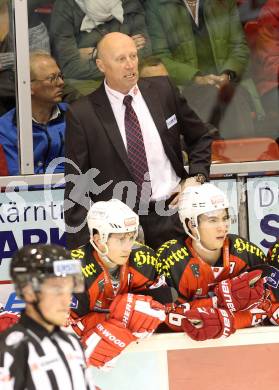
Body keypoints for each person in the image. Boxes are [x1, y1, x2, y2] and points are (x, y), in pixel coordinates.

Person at [64, 31, 213, 250]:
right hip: (119, 229)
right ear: (101, 65)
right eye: (120, 59)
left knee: (185, 283)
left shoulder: (163, 90)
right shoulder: (82, 114)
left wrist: (197, 176)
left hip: (173, 215)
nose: (130, 65)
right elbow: (77, 185)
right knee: (134, 284)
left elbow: (200, 135)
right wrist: (80, 251)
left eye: (133, 56)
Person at [157, 183, 266, 340]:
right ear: (191, 225)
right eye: (213, 220)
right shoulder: (170, 259)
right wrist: (220, 301)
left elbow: (269, 305)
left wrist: (228, 321)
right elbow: (164, 315)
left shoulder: (246, 252)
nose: (223, 227)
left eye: (225, 218)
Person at [144, 0, 265, 139]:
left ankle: (242, 155)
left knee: (232, 98)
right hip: (187, 87)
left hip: (227, 83)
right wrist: (196, 77)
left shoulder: (224, 3)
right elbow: (160, 59)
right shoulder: (158, 6)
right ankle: (231, 154)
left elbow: (240, 48)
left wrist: (227, 74)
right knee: (215, 100)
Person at [69, 198, 166, 368]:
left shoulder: (145, 258)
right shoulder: (72, 270)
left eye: (131, 237)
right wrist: (114, 319)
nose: (128, 246)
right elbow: (59, 329)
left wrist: (116, 323)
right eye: (121, 239)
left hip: (140, 364)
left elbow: (161, 307)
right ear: (99, 239)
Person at [0, 243, 98, 390]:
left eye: (69, 289)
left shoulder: (72, 342)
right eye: (56, 289)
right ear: (29, 291)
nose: (66, 300)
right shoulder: (10, 349)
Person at [49, 0, 151, 94]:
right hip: (87, 81)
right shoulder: (66, 6)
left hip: (130, 76)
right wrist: (127, 49)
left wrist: (95, 53)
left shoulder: (129, 3)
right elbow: (70, 67)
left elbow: (145, 51)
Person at [0, 51, 67, 175]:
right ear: (28, 86)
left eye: (60, 76)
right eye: (52, 78)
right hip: (29, 193)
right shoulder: (5, 129)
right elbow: (17, 178)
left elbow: (83, 169)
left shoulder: (74, 117)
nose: (61, 83)